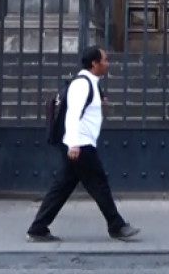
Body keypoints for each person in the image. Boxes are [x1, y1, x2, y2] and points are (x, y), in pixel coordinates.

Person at [27, 46, 139, 242]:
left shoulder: (90, 83)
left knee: (62, 187)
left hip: (79, 144)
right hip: (80, 145)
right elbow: (72, 115)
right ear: (94, 63)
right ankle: (116, 225)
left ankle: (38, 227)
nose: (107, 63)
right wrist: (73, 145)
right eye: (105, 60)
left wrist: (100, 103)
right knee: (99, 184)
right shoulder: (82, 85)